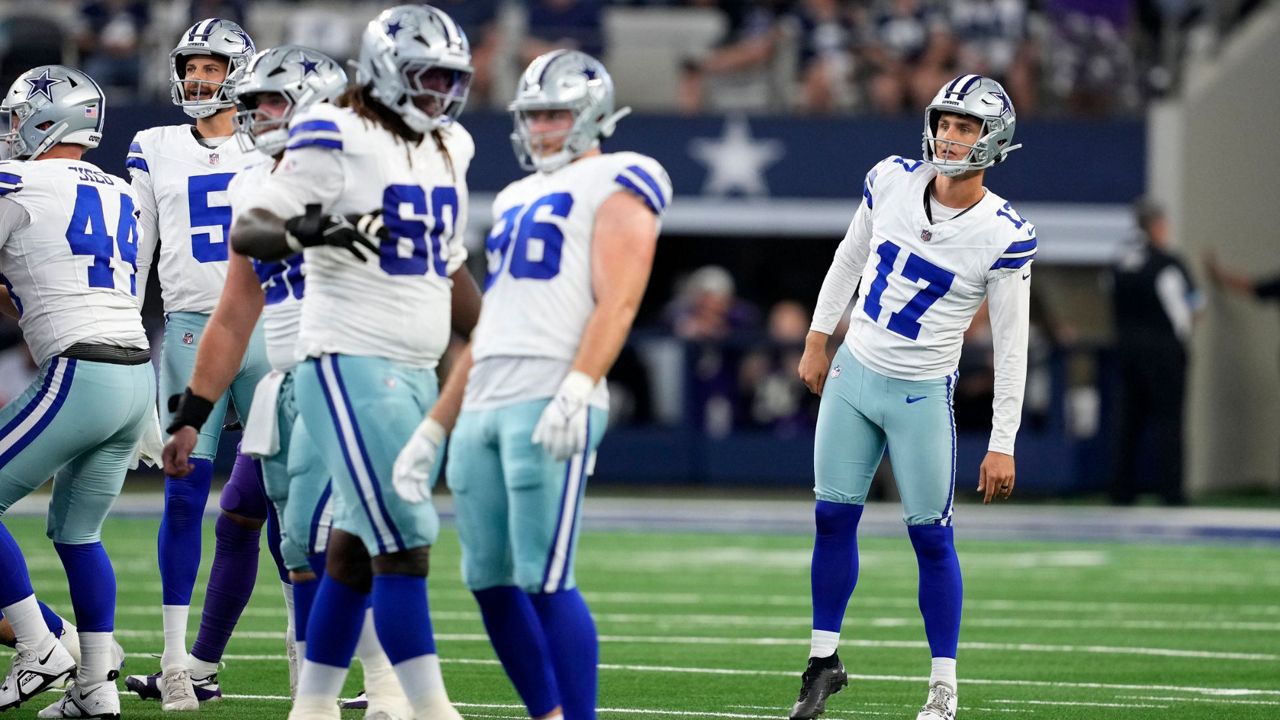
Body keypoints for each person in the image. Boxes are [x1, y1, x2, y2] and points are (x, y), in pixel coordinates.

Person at [394, 48, 671, 720]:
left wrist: (579, 387)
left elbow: (619, 300)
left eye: (554, 113)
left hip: (550, 394)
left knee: (545, 579)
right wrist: (435, 426)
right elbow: (491, 326)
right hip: (484, 397)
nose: (540, 127)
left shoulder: (623, 175)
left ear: (594, 113)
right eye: (534, 114)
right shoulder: (516, 195)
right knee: (487, 580)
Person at [229, 6, 480, 719]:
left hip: (418, 366)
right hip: (348, 359)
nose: (440, 93)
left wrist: (503, 345)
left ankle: (311, 708)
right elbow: (254, 228)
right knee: (404, 541)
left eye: (449, 79)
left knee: (351, 548)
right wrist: (326, 226)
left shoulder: (449, 145)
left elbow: (448, 263)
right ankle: (429, 709)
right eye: (427, 77)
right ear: (385, 70)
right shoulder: (334, 128)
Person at [154, 44, 409, 709]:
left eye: (274, 101)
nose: (258, 114)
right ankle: (330, 693)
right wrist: (192, 413)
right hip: (286, 381)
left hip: (356, 374)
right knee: (297, 545)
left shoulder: (367, 169)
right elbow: (235, 313)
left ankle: (386, 688)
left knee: (347, 541)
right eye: (254, 101)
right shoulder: (252, 184)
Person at [792, 74, 1033, 720]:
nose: (950, 138)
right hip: (855, 371)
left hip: (921, 395)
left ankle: (944, 684)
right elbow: (850, 257)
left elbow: (1013, 346)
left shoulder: (1005, 232)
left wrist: (1002, 442)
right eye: (946, 124)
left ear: (994, 139)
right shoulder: (891, 178)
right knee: (831, 519)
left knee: (931, 538)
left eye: (966, 128)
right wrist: (818, 337)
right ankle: (822, 661)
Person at [122, 18, 281, 711]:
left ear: (240, 73)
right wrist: (127, 341)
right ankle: (177, 662)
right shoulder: (155, 145)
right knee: (185, 495)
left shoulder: (271, 138)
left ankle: (315, 667)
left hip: (269, 326)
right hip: (190, 328)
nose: (198, 78)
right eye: (192, 66)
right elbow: (139, 255)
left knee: (282, 503)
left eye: (214, 68)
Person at [0, 64, 156, 719]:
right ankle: (96, 687)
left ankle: (38, 645)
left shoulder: (17, 180)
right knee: (78, 534)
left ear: (45, 119)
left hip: (81, 371)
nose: (10, 133)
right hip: (133, 376)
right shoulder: (119, 189)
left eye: (16, 119)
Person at [1109, 197, 1201, 506]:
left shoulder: (1120, 263)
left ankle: (1123, 489)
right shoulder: (1169, 264)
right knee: (1170, 423)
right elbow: (1195, 307)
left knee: (1129, 422)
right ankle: (1171, 491)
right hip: (1165, 354)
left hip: (1128, 352)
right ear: (1158, 226)